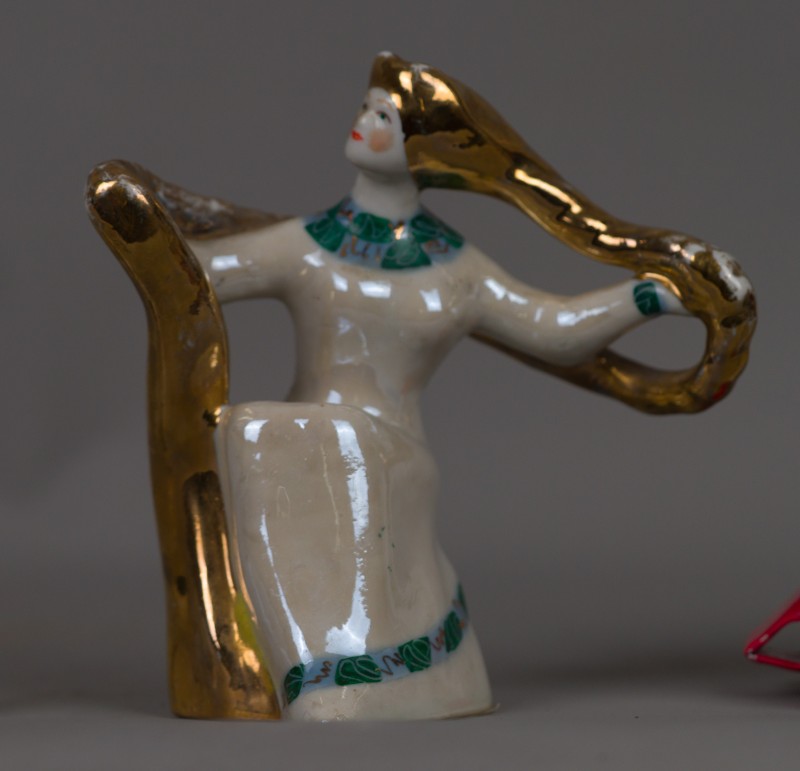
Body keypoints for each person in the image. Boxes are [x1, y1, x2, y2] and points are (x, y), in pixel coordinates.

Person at [185, 55, 697, 721]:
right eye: (367, 107)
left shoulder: (454, 269)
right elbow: (197, 276)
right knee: (265, 433)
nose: (364, 121)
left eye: (385, 118)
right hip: (309, 450)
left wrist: (647, 297)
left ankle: (359, 688)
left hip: (392, 453)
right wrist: (140, 224)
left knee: (312, 442)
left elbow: (550, 328)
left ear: (423, 153)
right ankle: (324, 681)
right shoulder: (306, 244)